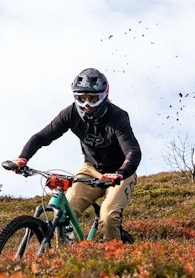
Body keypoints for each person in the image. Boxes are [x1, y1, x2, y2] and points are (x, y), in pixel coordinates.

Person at [13, 68, 141, 242]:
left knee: (109, 215)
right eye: (82, 98)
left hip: (119, 172)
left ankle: (115, 256)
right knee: (63, 214)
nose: (87, 103)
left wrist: (120, 173)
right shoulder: (71, 113)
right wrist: (23, 158)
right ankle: (68, 257)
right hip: (90, 169)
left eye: (93, 98)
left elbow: (133, 151)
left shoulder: (117, 117)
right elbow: (42, 137)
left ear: (104, 95)